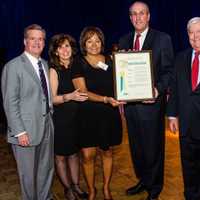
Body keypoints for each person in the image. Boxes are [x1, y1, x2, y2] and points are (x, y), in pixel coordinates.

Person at [118, 1, 174, 200]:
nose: (138, 17)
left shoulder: (162, 39)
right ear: (130, 17)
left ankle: (155, 188)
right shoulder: (124, 41)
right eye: (134, 14)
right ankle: (143, 179)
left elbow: (169, 72)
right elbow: (120, 75)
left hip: (152, 107)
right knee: (137, 149)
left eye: (142, 13)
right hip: (131, 107)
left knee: (153, 150)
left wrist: (157, 90)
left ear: (148, 16)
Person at [1, 24, 54, 200]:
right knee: (28, 176)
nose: (37, 42)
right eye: (33, 38)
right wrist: (19, 131)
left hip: (46, 127)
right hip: (25, 131)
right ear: (25, 41)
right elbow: (10, 102)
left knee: (45, 171)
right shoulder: (13, 66)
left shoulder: (45, 65)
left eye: (40, 39)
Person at [71, 26, 123, 200]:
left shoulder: (110, 59)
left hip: (109, 114)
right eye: (89, 41)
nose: (94, 44)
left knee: (107, 152)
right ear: (84, 44)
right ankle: (92, 190)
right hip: (88, 114)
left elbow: (122, 80)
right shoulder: (78, 62)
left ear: (102, 42)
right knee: (87, 156)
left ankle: (106, 188)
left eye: (97, 40)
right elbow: (83, 91)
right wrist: (105, 99)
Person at [48, 34, 88, 200]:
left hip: (76, 119)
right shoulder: (54, 70)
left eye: (67, 46)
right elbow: (52, 99)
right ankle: (67, 189)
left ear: (72, 49)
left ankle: (76, 185)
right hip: (61, 121)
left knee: (74, 154)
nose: (65, 50)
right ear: (56, 52)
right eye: (60, 47)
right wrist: (69, 97)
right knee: (61, 156)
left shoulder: (77, 66)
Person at [167, 17, 200, 200]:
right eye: (191, 33)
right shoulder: (181, 58)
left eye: (199, 32)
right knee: (188, 166)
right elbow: (175, 89)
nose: (195, 37)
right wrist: (172, 115)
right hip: (186, 124)